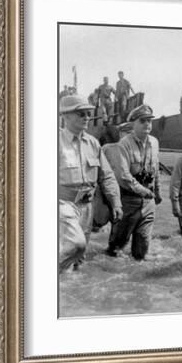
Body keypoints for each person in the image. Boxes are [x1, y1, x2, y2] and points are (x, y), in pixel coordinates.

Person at [58, 94, 123, 272]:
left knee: (79, 259)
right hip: (63, 204)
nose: (86, 117)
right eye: (81, 113)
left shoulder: (93, 143)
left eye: (88, 113)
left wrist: (115, 202)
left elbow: (107, 176)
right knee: (76, 245)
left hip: (87, 206)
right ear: (65, 116)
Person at [107, 105, 162, 260]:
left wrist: (157, 191)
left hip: (148, 201)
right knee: (117, 247)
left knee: (142, 250)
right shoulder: (124, 144)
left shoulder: (155, 142)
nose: (147, 124)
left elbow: (156, 168)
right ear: (133, 124)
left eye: (149, 121)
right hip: (128, 200)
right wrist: (143, 191)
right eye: (142, 121)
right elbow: (123, 176)